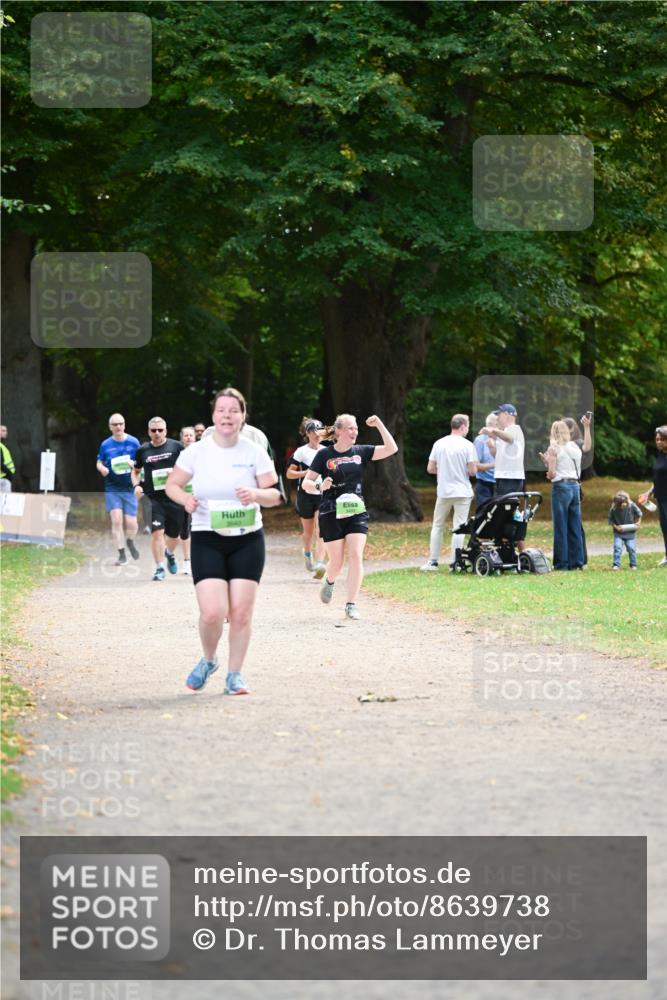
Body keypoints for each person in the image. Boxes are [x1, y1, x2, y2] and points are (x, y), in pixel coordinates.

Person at [166, 387, 282, 694]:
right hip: (207, 537)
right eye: (221, 410)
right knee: (213, 612)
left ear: (243, 416)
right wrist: (185, 501)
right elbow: (172, 485)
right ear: (213, 415)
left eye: (234, 410)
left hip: (247, 540)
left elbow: (275, 495)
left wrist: (256, 494)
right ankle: (209, 659)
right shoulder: (196, 452)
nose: (227, 416)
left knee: (241, 613)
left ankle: (235, 675)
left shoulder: (254, 451)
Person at [303, 413, 398, 620]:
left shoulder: (361, 451)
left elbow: (391, 449)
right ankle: (329, 580)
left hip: (355, 510)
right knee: (336, 562)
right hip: (330, 510)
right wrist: (319, 485)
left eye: (355, 428)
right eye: (349, 428)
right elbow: (306, 483)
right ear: (338, 431)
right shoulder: (324, 455)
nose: (354, 432)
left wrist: (379, 424)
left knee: (355, 554)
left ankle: (351, 604)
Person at [420, 414, 478, 572]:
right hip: (462, 491)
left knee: (437, 525)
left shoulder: (439, 443)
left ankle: (433, 561)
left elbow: (430, 468)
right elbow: (473, 471)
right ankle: (456, 562)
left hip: (444, 491)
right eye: (467, 426)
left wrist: (444, 469)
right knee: (459, 526)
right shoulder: (467, 445)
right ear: (463, 426)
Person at [132, 417, 184, 580]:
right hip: (153, 499)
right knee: (157, 533)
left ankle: (169, 553)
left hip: (175, 497)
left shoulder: (177, 447)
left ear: (165, 431)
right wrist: (136, 486)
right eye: (153, 430)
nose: (157, 433)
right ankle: (160, 568)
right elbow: (135, 471)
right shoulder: (142, 450)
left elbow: (189, 469)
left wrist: (176, 475)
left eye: (160, 430)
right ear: (149, 432)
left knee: (175, 536)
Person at [95, 413, 141, 565]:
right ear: (110, 427)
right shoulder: (105, 444)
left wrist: (134, 466)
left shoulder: (134, 442)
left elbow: (142, 462)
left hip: (129, 486)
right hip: (113, 487)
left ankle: (130, 541)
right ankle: (121, 554)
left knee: (132, 523)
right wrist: (102, 469)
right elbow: (99, 462)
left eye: (120, 424)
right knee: (116, 520)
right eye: (114, 425)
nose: (118, 427)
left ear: (125, 425)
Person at [287, 418, 327, 578]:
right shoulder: (301, 452)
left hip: (322, 493)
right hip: (305, 494)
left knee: (321, 529)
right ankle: (307, 554)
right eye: (314, 431)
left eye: (320, 431)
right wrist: (307, 473)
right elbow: (290, 473)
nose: (317, 434)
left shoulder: (326, 451)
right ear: (308, 433)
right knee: (308, 532)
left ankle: (319, 564)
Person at [544, 420, 584, 571]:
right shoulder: (574, 446)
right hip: (574, 486)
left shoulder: (554, 448)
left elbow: (552, 473)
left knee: (560, 526)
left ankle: (562, 563)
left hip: (561, 487)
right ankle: (577, 561)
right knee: (575, 525)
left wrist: (548, 464)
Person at [480, 403, 525, 497]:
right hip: (505, 477)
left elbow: (509, 438)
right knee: (503, 509)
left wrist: (493, 430)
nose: (497, 419)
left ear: (506, 414)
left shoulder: (513, 428)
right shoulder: (505, 432)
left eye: (498, 416)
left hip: (509, 478)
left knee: (504, 509)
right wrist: (492, 448)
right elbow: (499, 457)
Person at [638, 424, 667, 567]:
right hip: (661, 497)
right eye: (657, 439)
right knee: (664, 526)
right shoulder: (661, 454)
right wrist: (649, 492)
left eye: (662, 439)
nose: (659, 442)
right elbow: (658, 479)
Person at [178, 426, 196, 575]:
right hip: (183, 496)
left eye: (191, 435)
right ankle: (186, 561)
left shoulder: (202, 453)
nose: (189, 437)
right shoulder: (177, 455)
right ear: (182, 438)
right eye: (186, 435)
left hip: (201, 495)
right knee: (185, 529)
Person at [608, 491, 641, 571]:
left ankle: (633, 565)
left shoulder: (632, 506)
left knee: (631, 548)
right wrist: (616, 527)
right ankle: (616, 565)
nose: (623, 506)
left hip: (630, 532)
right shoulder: (613, 509)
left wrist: (638, 523)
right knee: (617, 547)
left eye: (624, 504)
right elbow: (611, 521)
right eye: (620, 505)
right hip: (618, 533)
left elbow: (639, 514)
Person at [473, 412, 497, 507]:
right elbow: (475, 465)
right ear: (491, 425)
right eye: (498, 423)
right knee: (484, 513)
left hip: (500, 483)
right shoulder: (480, 440)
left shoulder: (503, 439)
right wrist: (495, 465)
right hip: (484, 484)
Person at [0, 426, 15, 494]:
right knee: (5, 503)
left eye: (6, 431)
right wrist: (10, 474)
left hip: (4, 478)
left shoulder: (2, 445)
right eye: (3, 431)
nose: (6, 433)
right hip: (3, 479)